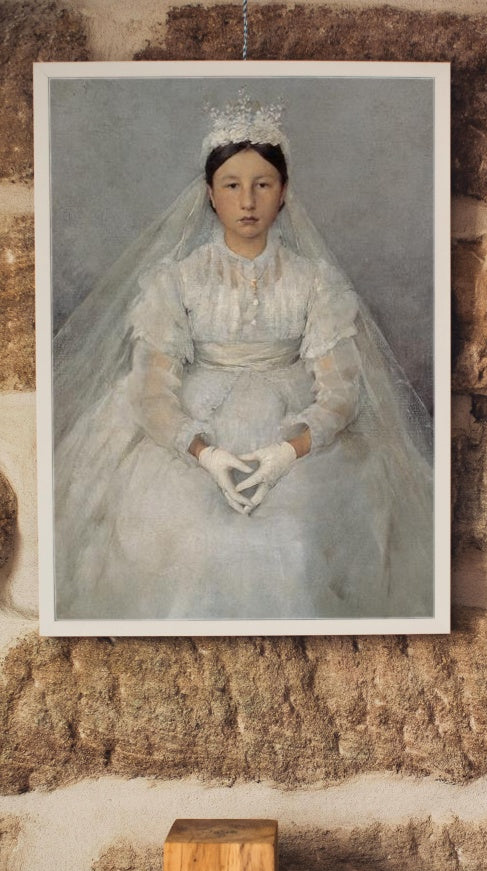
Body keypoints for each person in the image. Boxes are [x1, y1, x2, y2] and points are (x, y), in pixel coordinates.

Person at [52, 91, 434, 622]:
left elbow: (341, 393)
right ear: (211, 194)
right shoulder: (176, 279)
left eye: (263, 185)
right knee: (187, 541)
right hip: (192, 429)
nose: (248, 202)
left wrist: (286, 454)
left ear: (283, 194)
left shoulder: (314, 282)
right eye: (232, 186)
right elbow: (150, 391)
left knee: (295, 542)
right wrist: (205, 454)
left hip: (294, 436)